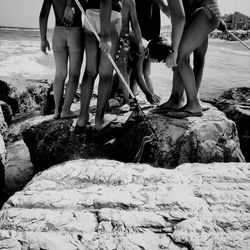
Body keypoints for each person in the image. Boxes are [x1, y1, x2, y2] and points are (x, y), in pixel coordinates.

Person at [155, 0, 222, 118]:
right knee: (196, 59)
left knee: (180, 57)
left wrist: (173, 50)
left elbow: (179, 18)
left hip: (204, 13)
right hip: (206, 12)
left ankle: (193, 104)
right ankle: (178, 100)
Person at [72, 0, 123, 131]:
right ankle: (99, 120)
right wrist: (106, 35)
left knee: (90, 71)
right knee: (106, 74)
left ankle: (82, 118)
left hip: (91, 15)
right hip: (110, 16)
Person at [39, 0, 84, 119]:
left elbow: (43, 14)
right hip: (75, 31)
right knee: (74, 74)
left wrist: (43, 39)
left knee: (60, 74)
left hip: (58, 32)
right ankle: (66, 110)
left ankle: (57, 111)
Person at [116, 0, 160, 112]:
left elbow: (134, 23)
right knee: (122, 70)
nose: (155, 62)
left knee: (122, 70)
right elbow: (139, 74)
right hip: (119, 39)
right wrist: (148, 94)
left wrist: (150, 94)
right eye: (157, 60)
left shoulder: (130, 2)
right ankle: (122, 98)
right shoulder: (143, 51)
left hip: (127, 40)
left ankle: (125, 98)